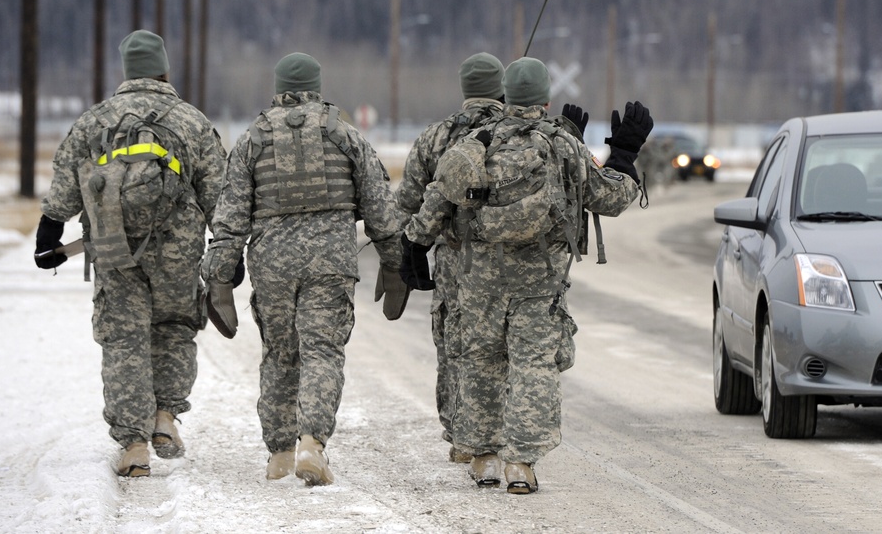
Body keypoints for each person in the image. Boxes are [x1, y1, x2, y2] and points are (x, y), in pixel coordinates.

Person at [400, 57, 652, 494]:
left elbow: (437, 199)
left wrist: (414, 245)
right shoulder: (562, 144)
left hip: (479, 278)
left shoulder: (472, 143)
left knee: (480, 361)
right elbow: (610, 197)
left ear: (507, 95)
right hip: (539, 280)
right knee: (533, 363)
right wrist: (625, 154)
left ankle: (483, 458)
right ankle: (521, 463)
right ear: (545, 99)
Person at [200, 52, 408, 486]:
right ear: (317, 84)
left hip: (272, 262)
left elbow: (230, 217)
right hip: (330, 258)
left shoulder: (252, 140)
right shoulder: (344, 134)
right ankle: (311, 444)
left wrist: (219, 276)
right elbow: (380, 206)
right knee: (322, 351)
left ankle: (278, 453)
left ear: (278, 88)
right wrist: (393, 260)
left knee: (280, 353)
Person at [35, 30, 229, 477]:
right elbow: (219, 195)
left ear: (126, 72)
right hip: (178, 248)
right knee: (175, 329)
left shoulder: (95, 120)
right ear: (164, 69)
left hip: (112, 245)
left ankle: (134, 445)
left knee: (124, 340)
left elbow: (67, 181)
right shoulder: (192, 121)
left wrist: (50, 232)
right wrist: (226, 251)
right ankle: (164, 417)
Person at [394, 52, 506, 464]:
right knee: (502, 344)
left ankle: (462, 434)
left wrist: (406, 249)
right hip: (506, 258)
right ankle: (500, 431)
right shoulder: (514, 134)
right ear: (501, 88)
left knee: (455, 344)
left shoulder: (435, 137)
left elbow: (406, 202)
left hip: (454, 260)